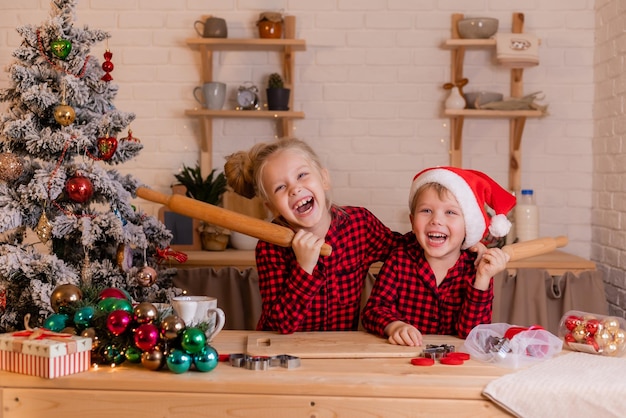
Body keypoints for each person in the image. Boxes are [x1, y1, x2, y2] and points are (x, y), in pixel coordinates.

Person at [223, 138, 406, 333]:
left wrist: (435, 227)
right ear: (272, 208)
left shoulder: (359, 225)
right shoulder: (270, 247)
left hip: (337, 350)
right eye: (280, 187)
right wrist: (304, 268)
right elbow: (280, 325)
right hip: (284, 353)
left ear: (324, 179)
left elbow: (405, 252)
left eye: (301, 175)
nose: (295, 189)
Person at [361, 166, 517, 346]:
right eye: (426, 210)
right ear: (412, 222)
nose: (436, 220)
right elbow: (373, 311)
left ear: (468, 226)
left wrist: (482, 279)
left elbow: (472, 333)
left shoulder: (475, 267)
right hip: (405, 359)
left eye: (450, 212)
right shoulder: (399, 260)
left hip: (455, 363)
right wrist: (394, 326)